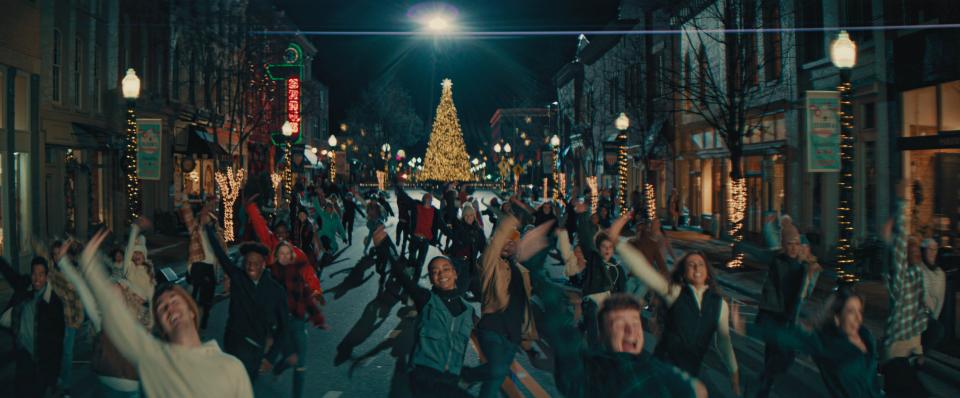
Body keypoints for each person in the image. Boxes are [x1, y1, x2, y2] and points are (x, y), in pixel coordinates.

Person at [66, 229, 253, 397]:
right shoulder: (155, 358)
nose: (169, 307)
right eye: (162, 308)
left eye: (174, 301)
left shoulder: (231, 367)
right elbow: (114, 313)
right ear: (161, 326)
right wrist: (89, 263)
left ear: (192, 311)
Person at [615, 212, 739, 394]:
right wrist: (618, 243)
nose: (696, 267)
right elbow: (644, 270)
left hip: (690, 373)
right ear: (683, 272)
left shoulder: (720, 304)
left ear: (707, 271)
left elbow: (724, 343)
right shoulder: (675, 292)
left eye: (700, 264)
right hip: (663, 368)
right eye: (691, 265)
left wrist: (734, 378)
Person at [537, 285, 707, 397]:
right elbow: (566, 346)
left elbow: (698, 391)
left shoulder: (658, 368)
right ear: (602, 336)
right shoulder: (592, 372)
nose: (631, 330)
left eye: (635, 322)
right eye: (619, 324)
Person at [371, 226, 476, 397]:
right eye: (434, 272)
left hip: (451, 378)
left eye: (445, 269)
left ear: (455, 273)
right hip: (424, 377)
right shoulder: (426, 299)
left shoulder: (468, 310)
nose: (440, 274)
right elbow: (402, 276)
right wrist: (383, 247)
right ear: (432, 280)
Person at [744, 286, 883, 398]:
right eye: (851, 312)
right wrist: (746, 327)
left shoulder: (866, 336)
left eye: (860, 311)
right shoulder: (827, 343)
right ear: (837, 318)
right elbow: (786, 337)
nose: (859, 318)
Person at [55, 239, 147, 397]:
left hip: (132, 392)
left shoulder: (136, 321)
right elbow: (81, 286)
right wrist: (63, 262)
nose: (111, 297)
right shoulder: (101, 320)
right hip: (106, 391)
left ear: (125, 298)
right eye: (109, 295)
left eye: (116, 293)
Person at [475, 215, 553, 398]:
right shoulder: (490, 265)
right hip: (492, 328)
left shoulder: (521, 269)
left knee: (498, 375)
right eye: (504, 242)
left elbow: (523, 303)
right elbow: (493, 249)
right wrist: (511, 220)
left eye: (512, 243)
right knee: (496, 372)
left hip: (513, 333)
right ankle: (468, 375)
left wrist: (527, 336)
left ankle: (470, 376)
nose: (507, 245)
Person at [205, 226, 293, 382]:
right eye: (248, 262)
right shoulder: (238, 278)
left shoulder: (276, 291)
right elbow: (220, 254)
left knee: (245, 386)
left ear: (263, 265)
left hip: (256, 350)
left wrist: (270, 358)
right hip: (233, 343)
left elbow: (284, 328)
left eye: (256, 263)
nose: (251, 266)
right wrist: (208, 228)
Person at [755, 222, 822, 397]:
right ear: (784, 246)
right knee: (776, 355)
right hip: (774, 316)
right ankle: (763, 387)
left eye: (796, 243)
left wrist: (811, 271)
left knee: (782, 357)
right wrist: (769, 223)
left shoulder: (804, 267)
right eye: (789, 244)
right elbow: (771, 244)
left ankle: (764, 383)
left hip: (788, 317)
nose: (793, 248)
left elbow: (804, 293)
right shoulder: (779, 261)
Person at [878, 194, 930, 395]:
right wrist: (901, 204)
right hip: (898, 346)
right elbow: (898, 248)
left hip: (913, 344)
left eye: (918, 251)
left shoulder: (918, 274)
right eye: (913, 251)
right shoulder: (901, 279)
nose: (917, 254)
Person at [268, 241, 328, 398]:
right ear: (275, 256)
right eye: (282, 253)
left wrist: (318, 319)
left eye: (288, 254)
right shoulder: (270, 276)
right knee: (293, 358)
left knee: (301, 364)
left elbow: (306, 298)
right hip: (281, 326)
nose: (285, 257)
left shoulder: (296, 273)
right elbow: (265, 308)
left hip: (298, 321)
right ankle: (281, 366)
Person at [0, 255, 65, 397]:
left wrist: (53, 378)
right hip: (23, 356)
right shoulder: (24, 288)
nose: (37, 279)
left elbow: (58, 343)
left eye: (41, 275)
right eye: (34, 274)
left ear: (47, 276)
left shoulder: (53, 304)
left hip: (41, 363)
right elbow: (8, 272)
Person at [570, 200, 626, 348]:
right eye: (604, 247)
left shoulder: (617, 268)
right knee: (593, 324)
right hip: (592, 299)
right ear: (599, 249)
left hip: (608, 303)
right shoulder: (594, 259)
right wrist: (582, 216)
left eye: (610, 247)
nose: (607, 250)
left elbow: (622, 290)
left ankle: (580, 331)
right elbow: (585, 239)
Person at [178, 194, 223, 329]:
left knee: (207, 300)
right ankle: (190, 322)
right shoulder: (195, 230)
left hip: (211, 267)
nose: (206, 219)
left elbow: (222, 252)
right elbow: (187, 215)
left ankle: (201, 325)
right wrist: (184, 198)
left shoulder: (216, 232)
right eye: (204, 217)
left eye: (208, 218)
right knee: (195, 296)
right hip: (198, 264)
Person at [396, 186, 442, 281]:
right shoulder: (417, 207)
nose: (427, 202)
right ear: (423, 200)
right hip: (415, 238)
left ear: (431, 202)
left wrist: (453, 236)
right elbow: (406, 198)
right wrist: (398, 187)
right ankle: (408, 278)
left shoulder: (435, 212)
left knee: (420, 263)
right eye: (426, 199)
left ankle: (414, 282)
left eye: (429, 200)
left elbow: (443, 226)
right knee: (411, 259)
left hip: (425, 241)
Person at [440, 203, 487, 296]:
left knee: (475, 287)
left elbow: (483, 247)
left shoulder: (479, 231)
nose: (469, 217)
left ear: (474, 216)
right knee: (456, 285)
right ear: (463, 216)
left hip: (470, 262)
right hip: (457, 261)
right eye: (466, 215)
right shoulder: (459, 227)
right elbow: (451, 233)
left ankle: (462, 295)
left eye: (471, 215)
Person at [919, 238, 945, 353]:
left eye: (935, 249)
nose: (932, 252)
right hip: (918, 315)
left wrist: (934, 317)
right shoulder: (919, 269)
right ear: (924, 251)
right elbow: (923, 294)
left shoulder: (940, 273)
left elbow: (940, 299)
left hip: (931, 316)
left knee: (937, 330)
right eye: (929, 249)